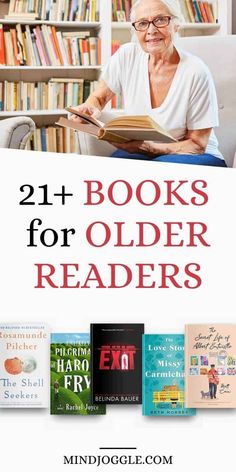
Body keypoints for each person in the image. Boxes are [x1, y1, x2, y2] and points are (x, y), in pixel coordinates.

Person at [72, 0, 226, 167]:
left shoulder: (196, 71)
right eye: (143, 23)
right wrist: (90, 107)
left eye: (160, 20)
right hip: (145, 151)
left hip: (195, 155)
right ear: (135, 30)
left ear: (175, 25)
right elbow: (99, 97)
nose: (151, 30)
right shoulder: (126, 55)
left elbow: (197, 144)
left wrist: (152, 149)